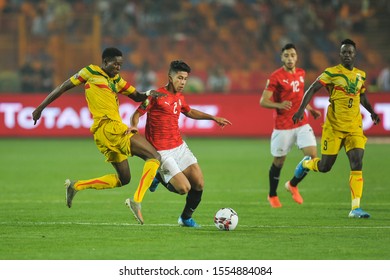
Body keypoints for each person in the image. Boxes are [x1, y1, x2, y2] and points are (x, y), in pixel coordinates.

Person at [32, 47, 165, 225]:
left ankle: (76, 186)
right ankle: (137, 201)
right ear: (105, 62)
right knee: (154, 156)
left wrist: (149, 94)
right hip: (110, 127)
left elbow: (136, 96)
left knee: (123, 179)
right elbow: (64, 86)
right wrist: (40, 107)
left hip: (104, 134)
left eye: (120, 64)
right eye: (115, 64)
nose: (118, 67)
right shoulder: (90, 71)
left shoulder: (116, 80)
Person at [130, 60, 232, 227]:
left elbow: (189, 111)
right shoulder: (156, 96)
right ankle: (157, 175)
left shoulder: (179, 97)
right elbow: (136, 113)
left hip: (179, 146)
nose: (183, 82)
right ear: (170, 77)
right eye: (179, 78)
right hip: (161, 151)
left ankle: (185, 218)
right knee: (183, 188)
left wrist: (213, 117)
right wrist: (134, 126)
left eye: (185, 79)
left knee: (199, 183)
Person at [293, 39, 381, 218]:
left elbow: (361, 95)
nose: (347, 55)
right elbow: (312, 89)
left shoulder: (360, 75)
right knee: (325, 167)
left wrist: (372, 112)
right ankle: (307, 163)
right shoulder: (331, 73)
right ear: (340, 55)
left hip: (354, 127)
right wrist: (301, 109)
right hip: (334, 128)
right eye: (344, 52)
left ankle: (355, 208)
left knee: (357, 162)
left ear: (355, 54)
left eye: (350, 52)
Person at [260, 43, 321, 208]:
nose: (290, 58)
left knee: (312, 156)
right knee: (279, 161)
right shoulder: (275, 76)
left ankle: (293, 184)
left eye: (292, 55)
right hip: (283, 126)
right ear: (281, 58)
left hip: (301, 122)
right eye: (286, 55)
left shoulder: (301, 73)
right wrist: (279, 105)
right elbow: (263, 101)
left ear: (297, 57)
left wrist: (310, 109)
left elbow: (300, 97)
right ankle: (272, 194)